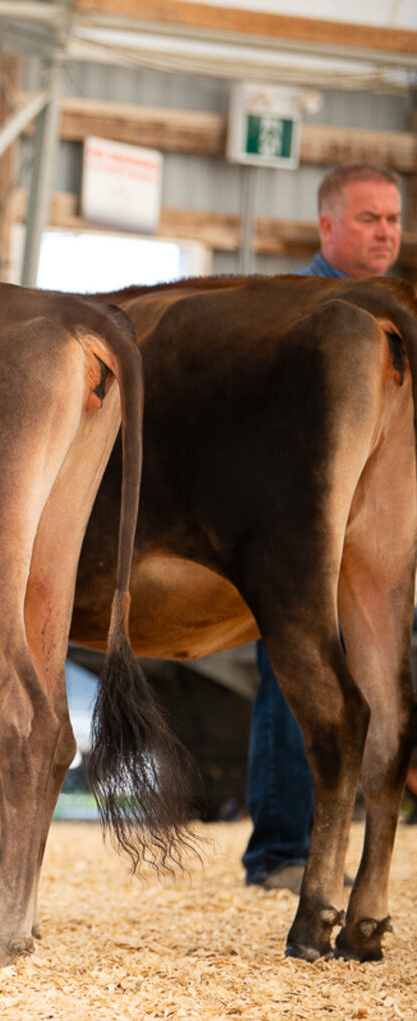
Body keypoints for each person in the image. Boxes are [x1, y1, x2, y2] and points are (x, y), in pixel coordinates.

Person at [242, 162, 403, 890]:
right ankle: (279, 851)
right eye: (369, 218)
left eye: (394, 219)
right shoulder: (293, 311)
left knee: (373, 680)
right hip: (300, 523)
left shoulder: (394, 315)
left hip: (373, 527)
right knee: (291, 680)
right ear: (327, 225)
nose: (386, 232)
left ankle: (336, 852)